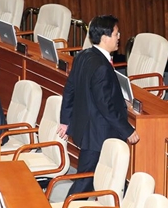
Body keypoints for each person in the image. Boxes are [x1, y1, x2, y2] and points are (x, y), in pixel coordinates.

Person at [58, 15, 139, 196]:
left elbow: (69, 89)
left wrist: (65, 120)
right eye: (116, 33)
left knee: (104, 176)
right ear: (105, 38)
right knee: (84, 181)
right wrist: (127, 130)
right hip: (98, 134)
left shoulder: (83, 55)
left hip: (88, 129)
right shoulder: (101, 66)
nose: (119, 37)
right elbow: (106, 106)